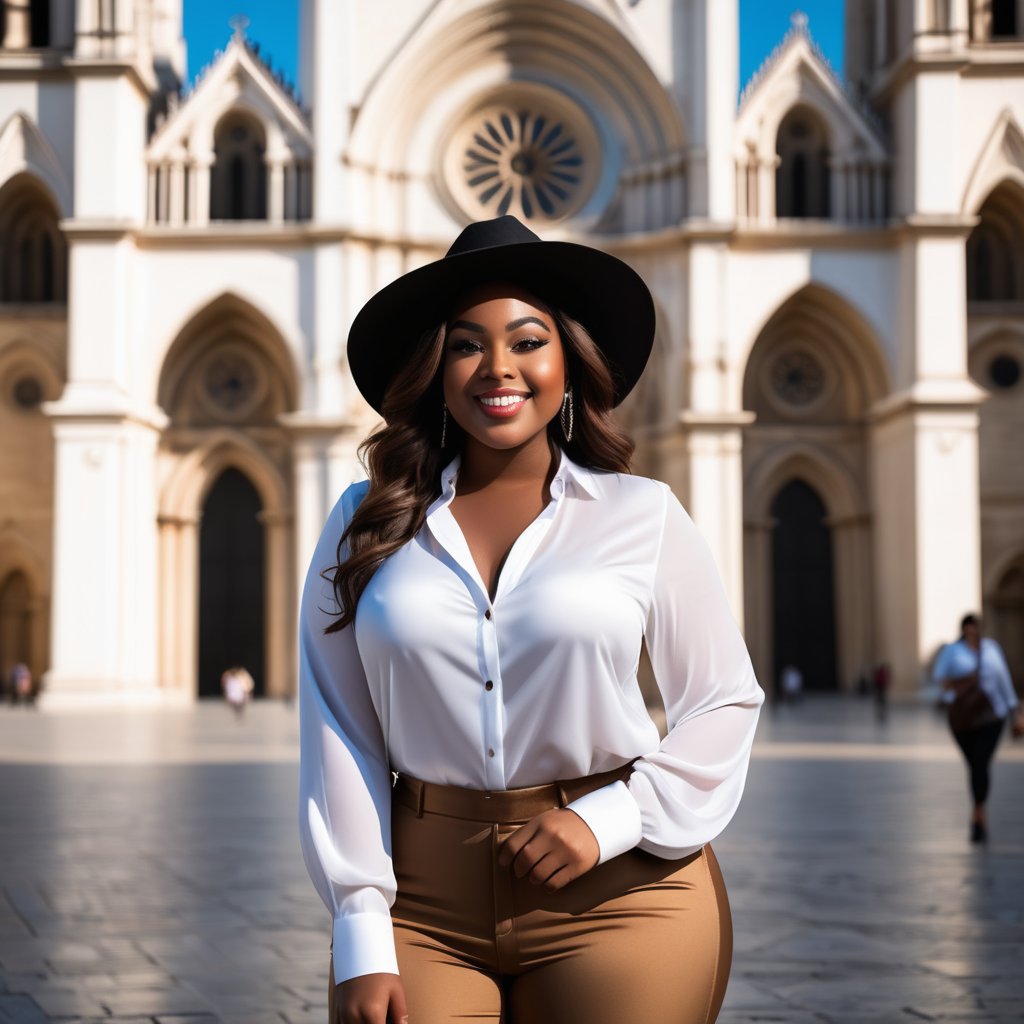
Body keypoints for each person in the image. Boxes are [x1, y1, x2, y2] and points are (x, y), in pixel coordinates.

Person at [299, 215, 765, 1024]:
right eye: (465, 345)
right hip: (422, 902)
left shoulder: (643, 514)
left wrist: (608, 819)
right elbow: (340, 727)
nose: (497, 368)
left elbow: (723, 700)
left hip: (621, 889)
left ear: (568, 363)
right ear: (435, 370)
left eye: (526, 341)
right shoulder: (361, 521)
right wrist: (361, 929)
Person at [933, 613, 1023, 842]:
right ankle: (979, 807)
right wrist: (955, 692)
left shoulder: (991, 649)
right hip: (963, 718)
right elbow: (940, 677)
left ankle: (978, 813)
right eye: (969, 627)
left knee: (981, 762)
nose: (973, 630)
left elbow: (1003, 679)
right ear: (964, 629)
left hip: (993, 715)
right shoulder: (952, 651)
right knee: (975, 764)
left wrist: (1016, 712)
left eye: (976, 626)